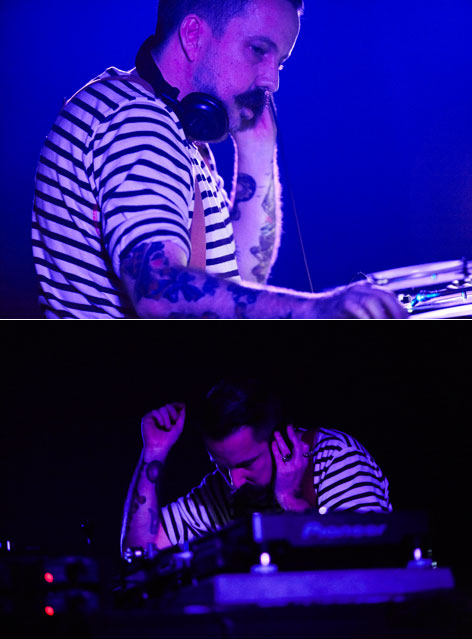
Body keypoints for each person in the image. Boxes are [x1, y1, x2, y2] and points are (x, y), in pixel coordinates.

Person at [32, 0, 407, 319]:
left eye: (280, 62)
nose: (272, 81)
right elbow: (157, 292)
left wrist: (257, 153)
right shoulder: (136, 121)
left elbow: (236, 284)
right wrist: (317, 309)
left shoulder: (176, 133)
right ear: (193, 36)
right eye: (258, 50)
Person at [120, 379, 392, 554]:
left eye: (247, 464)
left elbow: (369, 559)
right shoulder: (223, 487)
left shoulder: (335, 458)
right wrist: (154, 452)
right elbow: (138, 551)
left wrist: (289, 499)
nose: (234, 482)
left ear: (282, 439)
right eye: (222, 466)